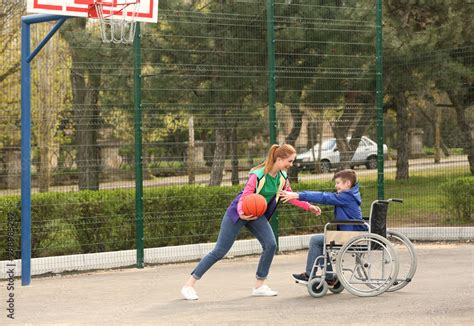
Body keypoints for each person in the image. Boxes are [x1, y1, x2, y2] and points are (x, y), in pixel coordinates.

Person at [181, 144, 321, 300]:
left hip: (256, 214)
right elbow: (245, 195)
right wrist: (242, 213)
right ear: (279, 159)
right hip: (238, 213)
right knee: (220, 251)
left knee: (271, 244)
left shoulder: (282, 177)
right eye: (289, 161)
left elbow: (289, 196)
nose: (291, 164)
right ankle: (188, 285)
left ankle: (259, 286)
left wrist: (308, 207)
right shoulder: (258, 175)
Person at [279, 169, 366, 285]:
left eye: (338, 183)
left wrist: (297, 195)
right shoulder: (350, 195)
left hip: (351, 236)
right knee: (321, 241)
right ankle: (329, 277)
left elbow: (323, 197)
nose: (336, 186)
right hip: (352, 233)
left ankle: (310, 275)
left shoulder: (346, 197)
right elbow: (324, 196)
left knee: (316, 241)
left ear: (347, 184)